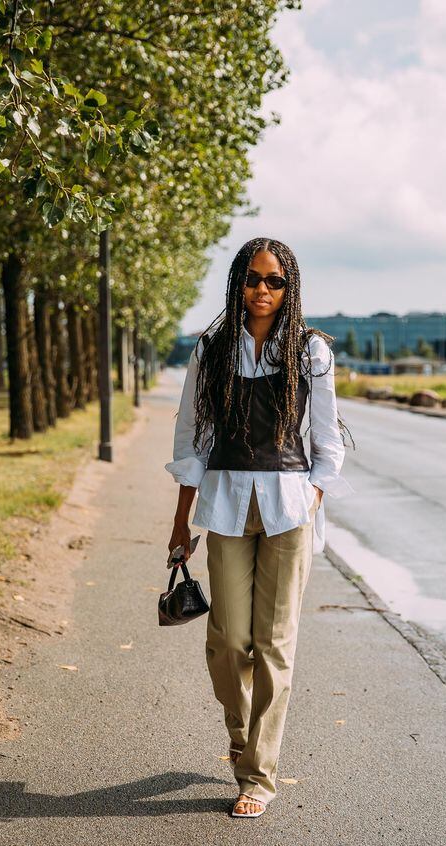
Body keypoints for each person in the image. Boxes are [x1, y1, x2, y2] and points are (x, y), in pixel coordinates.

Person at [165, 236, 354, 819]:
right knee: (226, 642)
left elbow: (325, 442)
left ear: (289, 288)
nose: (263, 290)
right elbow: (192, 438)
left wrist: (312, 496)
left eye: (275, 281)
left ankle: (258, 775)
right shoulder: (212, 348)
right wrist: (180, 524)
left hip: (288, 507)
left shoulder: (310, 353)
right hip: (224, 502)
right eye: (254, 278)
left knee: (274, 644)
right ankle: (242, 734)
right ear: (238, 282)